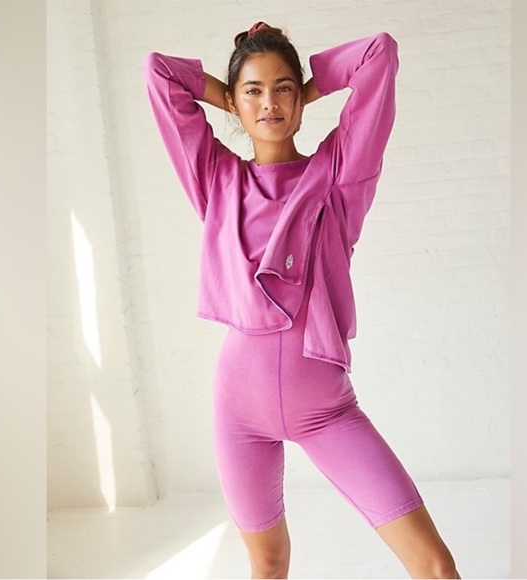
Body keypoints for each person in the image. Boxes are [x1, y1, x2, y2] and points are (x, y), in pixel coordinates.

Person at [144, 22, 461, 579]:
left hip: (326, 410)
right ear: (235, 102)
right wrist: (232, 95)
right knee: (268, 564)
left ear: (300, 98)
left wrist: (306, 89)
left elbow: (378, 54)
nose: (270, 102)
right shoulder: (217, 181)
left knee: (433, 565)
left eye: (283, 89)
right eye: (254, 91)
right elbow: (159, 72)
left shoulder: (338, 176)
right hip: (238, 410)